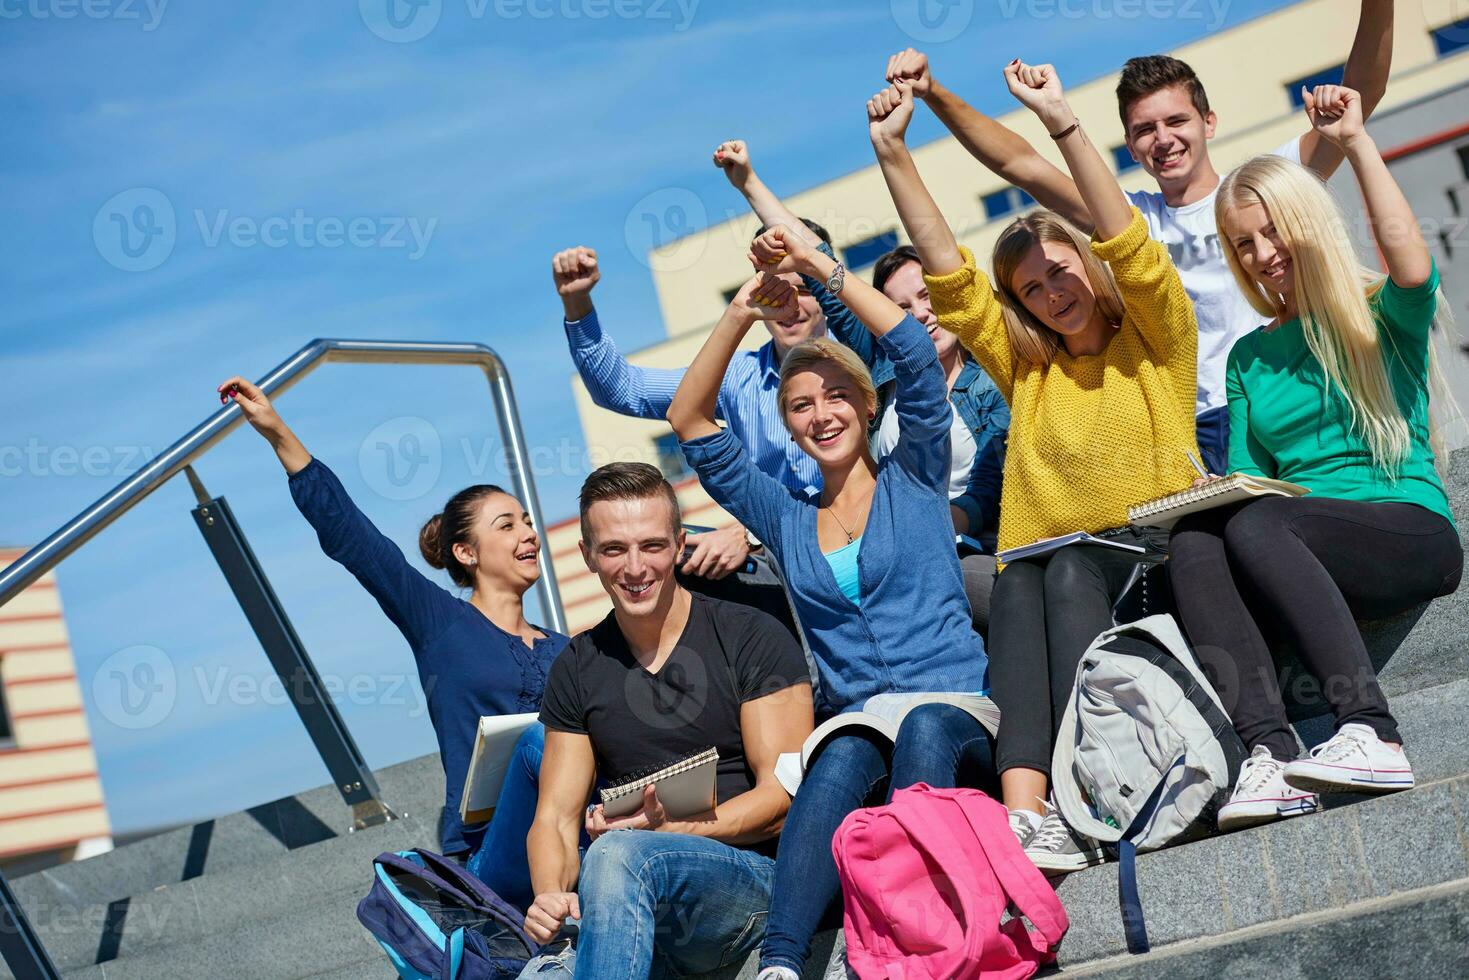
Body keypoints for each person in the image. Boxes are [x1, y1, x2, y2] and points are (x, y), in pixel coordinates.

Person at [865, 67, 1200, 874]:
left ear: (1089, 268)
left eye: (1061, 273)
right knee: (1017, 578)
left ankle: (1093, 781)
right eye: (1032, 289)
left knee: (1060, 571)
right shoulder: (1027, 369)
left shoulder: (1154, 341)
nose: (1053, 294)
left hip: (1139, 554)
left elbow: (1130, 245)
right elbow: (948, 277)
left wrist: (1062, 125)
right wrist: (892, 155)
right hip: (1045, 566)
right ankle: (1026, 812)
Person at [668, 237, 995, 975]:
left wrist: (821, 270)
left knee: (919, 727)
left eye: (836, 395)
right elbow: (690, 418)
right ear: (786, 425)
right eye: (800, 405)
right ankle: (783, 963)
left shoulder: (914, 471)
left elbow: (911, 347)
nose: (821, 414)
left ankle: (926, 929)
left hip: (957, 713)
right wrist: (741, 312)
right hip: (860, 720)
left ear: (865, 402)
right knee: (838, 751)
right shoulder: (782, 516)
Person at [883, 0, 1395, 472]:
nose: (1164, 139)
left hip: (1286, 392)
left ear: (1209, 121)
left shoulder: (1267, 188)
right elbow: (1020, 164)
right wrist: (935, 93)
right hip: (1184, 419)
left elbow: (1363, 92)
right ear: (1129, 145)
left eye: (1177, 120)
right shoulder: (1126, 220)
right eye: (1145, 129)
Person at [1168, 86, 1464, 831]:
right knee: (1200, 535)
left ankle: (1372, 730)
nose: (1262, 255)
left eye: (1272, 233)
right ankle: (1267, 754)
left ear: (1304, 225)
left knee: (1264, 526)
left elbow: (1408, 263)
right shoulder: (1248, 356)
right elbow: (1246, 483)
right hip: (1298, 547)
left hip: (1405, 533)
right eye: (1242, 243)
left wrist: (1358, 143)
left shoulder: (1375, 316)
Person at [215, 376, 565, 911]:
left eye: (527, 520)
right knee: (542, 747)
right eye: (507, 525)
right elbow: (356, 541)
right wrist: (278, 433)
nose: (528, 533)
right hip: (490, 849)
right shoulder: (440, 622)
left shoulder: (564, 649)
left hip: (575, 829)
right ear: (465, 553)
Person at [516, 462, 813, 979]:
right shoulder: (578, 667)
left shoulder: (749, 636)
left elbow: (785, 803)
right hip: (630, 899)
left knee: (616, 854)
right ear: (587, 556)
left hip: (756, 883)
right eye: (613, 549)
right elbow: (556, 820)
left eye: (651, 546)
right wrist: (551, 898)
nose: (635, 568)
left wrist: (672, 829)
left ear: (679, 545)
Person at [713, 138, 1009, 634]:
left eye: (928, 296)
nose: (919, 314)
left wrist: (933, 529)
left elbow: (994, 483)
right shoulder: (880, 371)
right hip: (880, 551)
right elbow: (822, 266)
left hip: (969, 548)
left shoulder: (994, 378)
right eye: (900, 306)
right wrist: (749, 183)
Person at [553, 245, 809, 637]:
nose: (791, 303)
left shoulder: (859, 361)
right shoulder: (739, 376)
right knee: (663, 548)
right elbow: (624, 390)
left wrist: (750, 536)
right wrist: (577, 302)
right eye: (776, 289)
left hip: (836, 543)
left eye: (804, 289)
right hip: (774, 560)